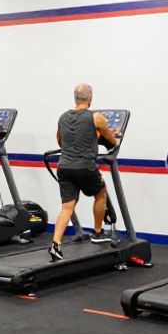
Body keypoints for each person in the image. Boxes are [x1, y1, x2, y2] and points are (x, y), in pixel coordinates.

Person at [49, 83, 120, 262]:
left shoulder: (63, 117)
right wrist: (112, 136)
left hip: (64, 167)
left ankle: (55, 244)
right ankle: (97, 232)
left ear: (75, 98)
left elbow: (60, 141)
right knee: (100, 193)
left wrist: (87, 138)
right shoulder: (96, 117)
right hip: (85, 166)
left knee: (67, 207)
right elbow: (112, 142)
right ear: (90, 98)